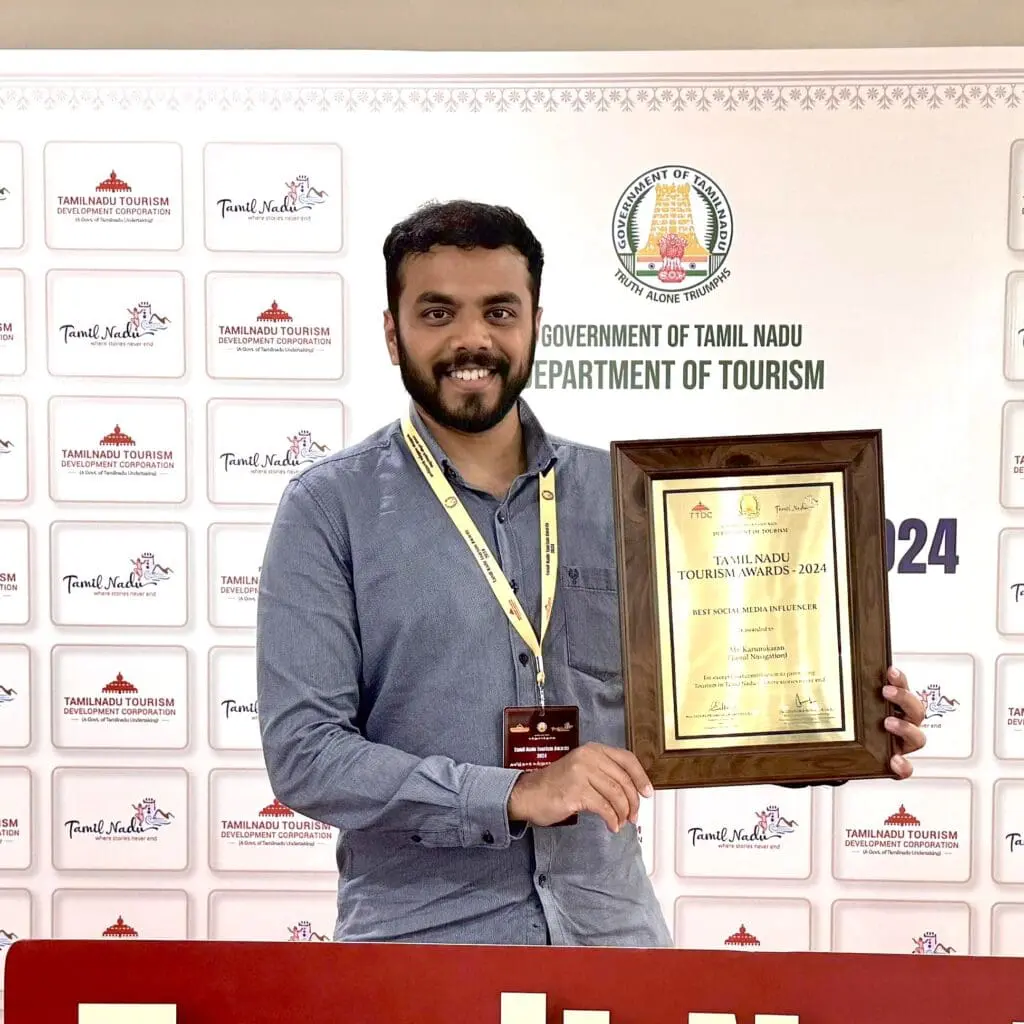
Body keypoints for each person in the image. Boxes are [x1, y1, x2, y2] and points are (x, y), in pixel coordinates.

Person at [256, 199, 926, 947]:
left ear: (535, 324)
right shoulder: (329, 509)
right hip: (423, 946)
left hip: (612, 938)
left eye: (500, 312)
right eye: (438, 313)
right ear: (393, 333)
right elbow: (306, 753)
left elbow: (710, 701)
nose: (472, 339)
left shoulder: (628, 499)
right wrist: (513, 792)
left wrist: (835, 729)